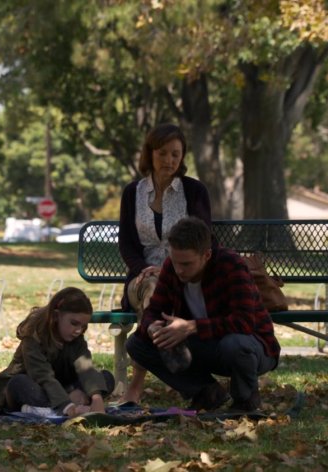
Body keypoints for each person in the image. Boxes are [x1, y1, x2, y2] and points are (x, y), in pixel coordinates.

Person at [125, 217, 280, 413]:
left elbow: (244, 323)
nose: (179, 269)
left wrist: (191, 327)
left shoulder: (231, 265)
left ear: (206, 255)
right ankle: (206, 393)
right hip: (204, 345)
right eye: (175, 262)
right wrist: (152, 327)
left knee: (235, 344)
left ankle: (246, 399)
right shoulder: (171, 267)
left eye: (187, 264)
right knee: (137, 344)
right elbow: (154, 310)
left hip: (254, 348)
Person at [117, 123, 211, 404]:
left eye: (175, 154)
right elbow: (127, 244)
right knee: (155, 288)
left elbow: (203, 238)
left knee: (162, 288)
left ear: (182, 157)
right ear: (150, 154)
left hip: (184, 273)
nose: (169, 160)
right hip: (141, 277)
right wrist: (141, 269)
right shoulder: (132, 192)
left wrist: (172, 267)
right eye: (162, 153)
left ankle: (146, 383)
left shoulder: (194, 191)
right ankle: (144, 381)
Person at [0, 287, 114, 417]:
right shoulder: (33, 336)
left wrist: (97, 398)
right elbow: (43, 376)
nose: (78, 330)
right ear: (56, 316)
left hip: (65, 386)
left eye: (83, 326)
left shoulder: (76, 337)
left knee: (105, 378)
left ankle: (48, 408)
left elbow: (86, 369)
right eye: (74, 323)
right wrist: (68, 405)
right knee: (17, 384)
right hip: (37, 386)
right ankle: (60, 407)